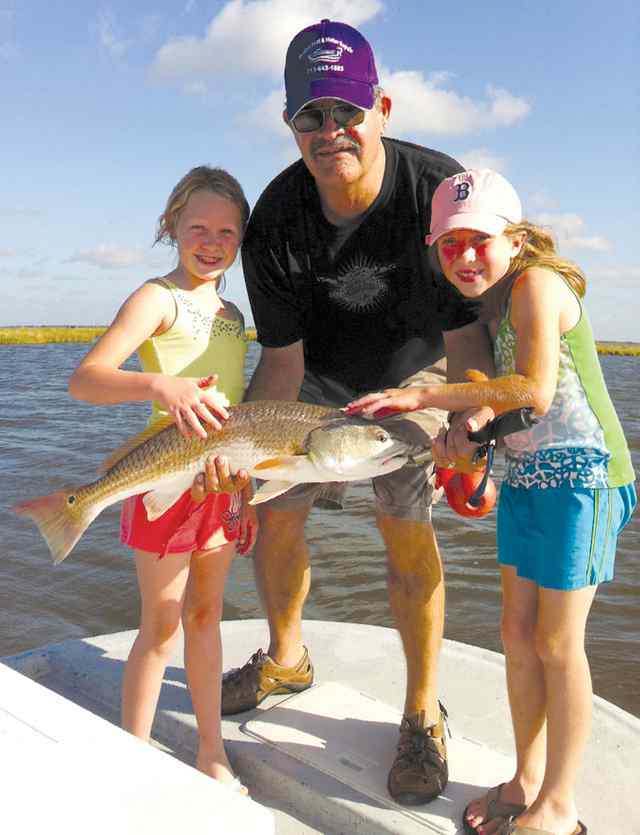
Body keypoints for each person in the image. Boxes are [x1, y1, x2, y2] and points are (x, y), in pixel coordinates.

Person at [214, 18, 488, 806]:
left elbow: (469, 335)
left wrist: (470, 432)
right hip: (317, 379)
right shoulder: (275, 221)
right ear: (291, 124)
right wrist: (246, 463)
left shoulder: (436, 190)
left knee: (405, 521)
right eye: (311, 115)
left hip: (415, 375)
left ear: (385, 108)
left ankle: (419, 712)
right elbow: (282, 360)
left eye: (347, 111)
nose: (331, 130)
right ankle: (286, 656)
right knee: (277, 510)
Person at [348, 168, 636, 835]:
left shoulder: (536, 285)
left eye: (479, 240)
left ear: (515, 237)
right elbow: (498, 407)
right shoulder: (487, 309)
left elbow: (533, 390)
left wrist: (423, 399)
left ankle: (559, 807)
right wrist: (464, 434)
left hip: (586, 479)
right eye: (449, 246)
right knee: (516, 634)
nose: (465, 257)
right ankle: (528, 777)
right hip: (530, 475)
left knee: (558, 643)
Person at [68, 166, 257, 792]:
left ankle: (211, 751)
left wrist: (248, 485)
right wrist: (160, 385)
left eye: (227, 232)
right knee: (162, 624)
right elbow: (86, 378)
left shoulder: (232, 313)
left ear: (241, 239)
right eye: (197, 227)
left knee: (207, 615)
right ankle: (135, 755)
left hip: (222, 483)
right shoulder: (157, 297)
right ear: (171, 225)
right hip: (162, 479)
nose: (211, 241)